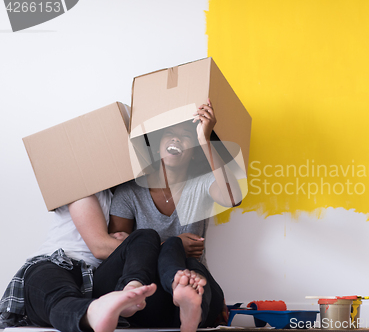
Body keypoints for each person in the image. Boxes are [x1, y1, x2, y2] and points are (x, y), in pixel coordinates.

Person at [108, 99, 242, 332]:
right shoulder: (129, 193)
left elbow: (232, 197)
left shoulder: (200, 184)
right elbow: (119, 249)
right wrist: (172, 243)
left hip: (196, 284)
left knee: (190, 266)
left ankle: (189, 299)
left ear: (192, 153)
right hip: (147, 295)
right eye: (169, 133)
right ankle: (182, 293)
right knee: (169, 244)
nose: (176, 139)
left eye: (186, 136)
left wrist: (205, 139)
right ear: (158, 146)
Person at [0, 190, 159, 332]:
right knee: (59, 297)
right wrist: (126, 244)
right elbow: (100, 247)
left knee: (146, 236)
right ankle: (94, 311)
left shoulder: (123, 196)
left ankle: (130, 290)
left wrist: (134, 243)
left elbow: (129, 247)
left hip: (95, 276)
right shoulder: (78, 184)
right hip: (57, 261)